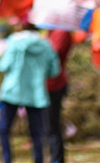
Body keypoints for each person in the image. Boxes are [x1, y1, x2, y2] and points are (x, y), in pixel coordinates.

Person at [0, 23, 60, 163]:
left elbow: (3, 66)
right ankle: (39, 160)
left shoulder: (14, 41)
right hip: (36, 94)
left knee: (4, 129)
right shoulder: (47, 45)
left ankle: (7, 159)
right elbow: (54, 71)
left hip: (12, 91)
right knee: (37, 133)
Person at [45, 29, 73, 163]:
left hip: (55, 85)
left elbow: (54, 53)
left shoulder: (61, 32)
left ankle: (57, 159)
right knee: (48, 126)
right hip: (47, 85)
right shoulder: (52, 30)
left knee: (52, 126)